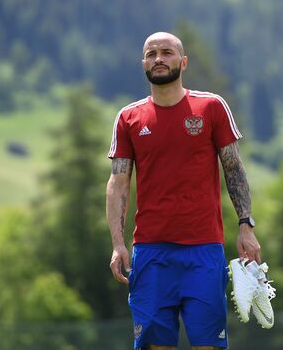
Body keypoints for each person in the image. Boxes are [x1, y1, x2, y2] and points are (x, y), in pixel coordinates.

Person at [106, 32, 262, 350]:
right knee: (155, 345)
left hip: (204, 251)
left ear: (183, 61)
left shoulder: (212, 107)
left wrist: (246, 224)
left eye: (167, 52)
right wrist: (117, 243)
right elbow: (118, 182)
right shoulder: (128, 117)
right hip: (150, 253)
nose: (159, 59)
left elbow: (234, 168)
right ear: (143, 64)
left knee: (208, 345)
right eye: (151, 54)